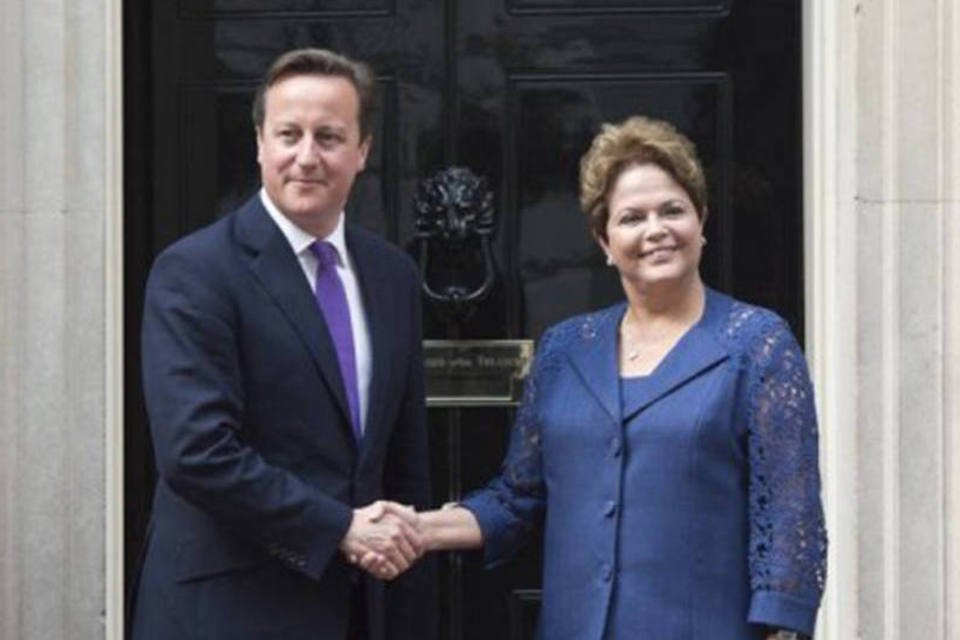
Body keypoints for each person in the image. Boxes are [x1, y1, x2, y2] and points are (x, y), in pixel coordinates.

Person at [369, 115, 827, 639]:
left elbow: (791, 517)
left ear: (701, 220)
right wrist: (419, 529)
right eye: (631, 217)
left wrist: (782, 631)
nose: (655, 230)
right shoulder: (564, 350)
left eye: (672, 210)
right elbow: (516, 499)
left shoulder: (758, 343)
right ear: (604, 240)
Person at [132, 48, 434, 640]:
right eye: (289, 134)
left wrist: (407, 601)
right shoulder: (195, 271)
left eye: (329, 137)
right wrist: (338, 528)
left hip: (360, 612)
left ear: (363, 150)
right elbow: (197, 452)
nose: (307, 156)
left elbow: (404, 460)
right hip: (230, 612)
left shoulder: (393, 275)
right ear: (260, 144)